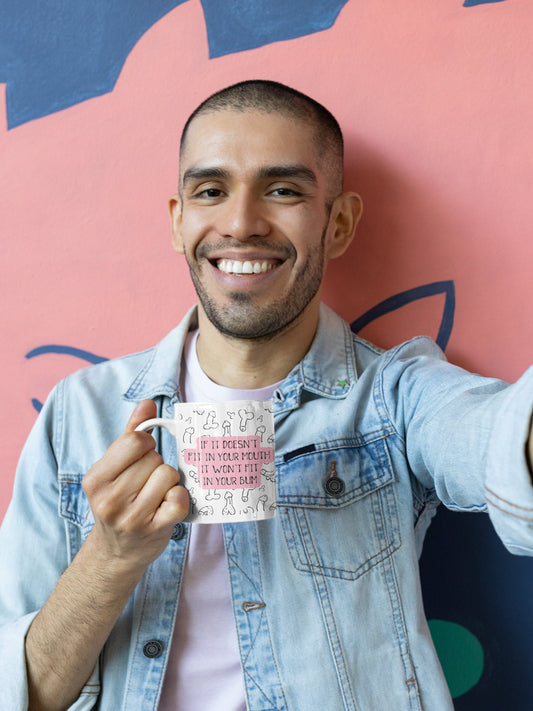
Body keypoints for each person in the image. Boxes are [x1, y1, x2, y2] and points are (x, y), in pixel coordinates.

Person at [1, 79, 533, 711]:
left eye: (282, 190)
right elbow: (21, 694)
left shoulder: (395, 395)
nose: (241, 223)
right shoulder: (79, 413)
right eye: (211, 191)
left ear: (338, 223)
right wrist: (112, 556)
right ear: (178, 221)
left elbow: (491, 435)